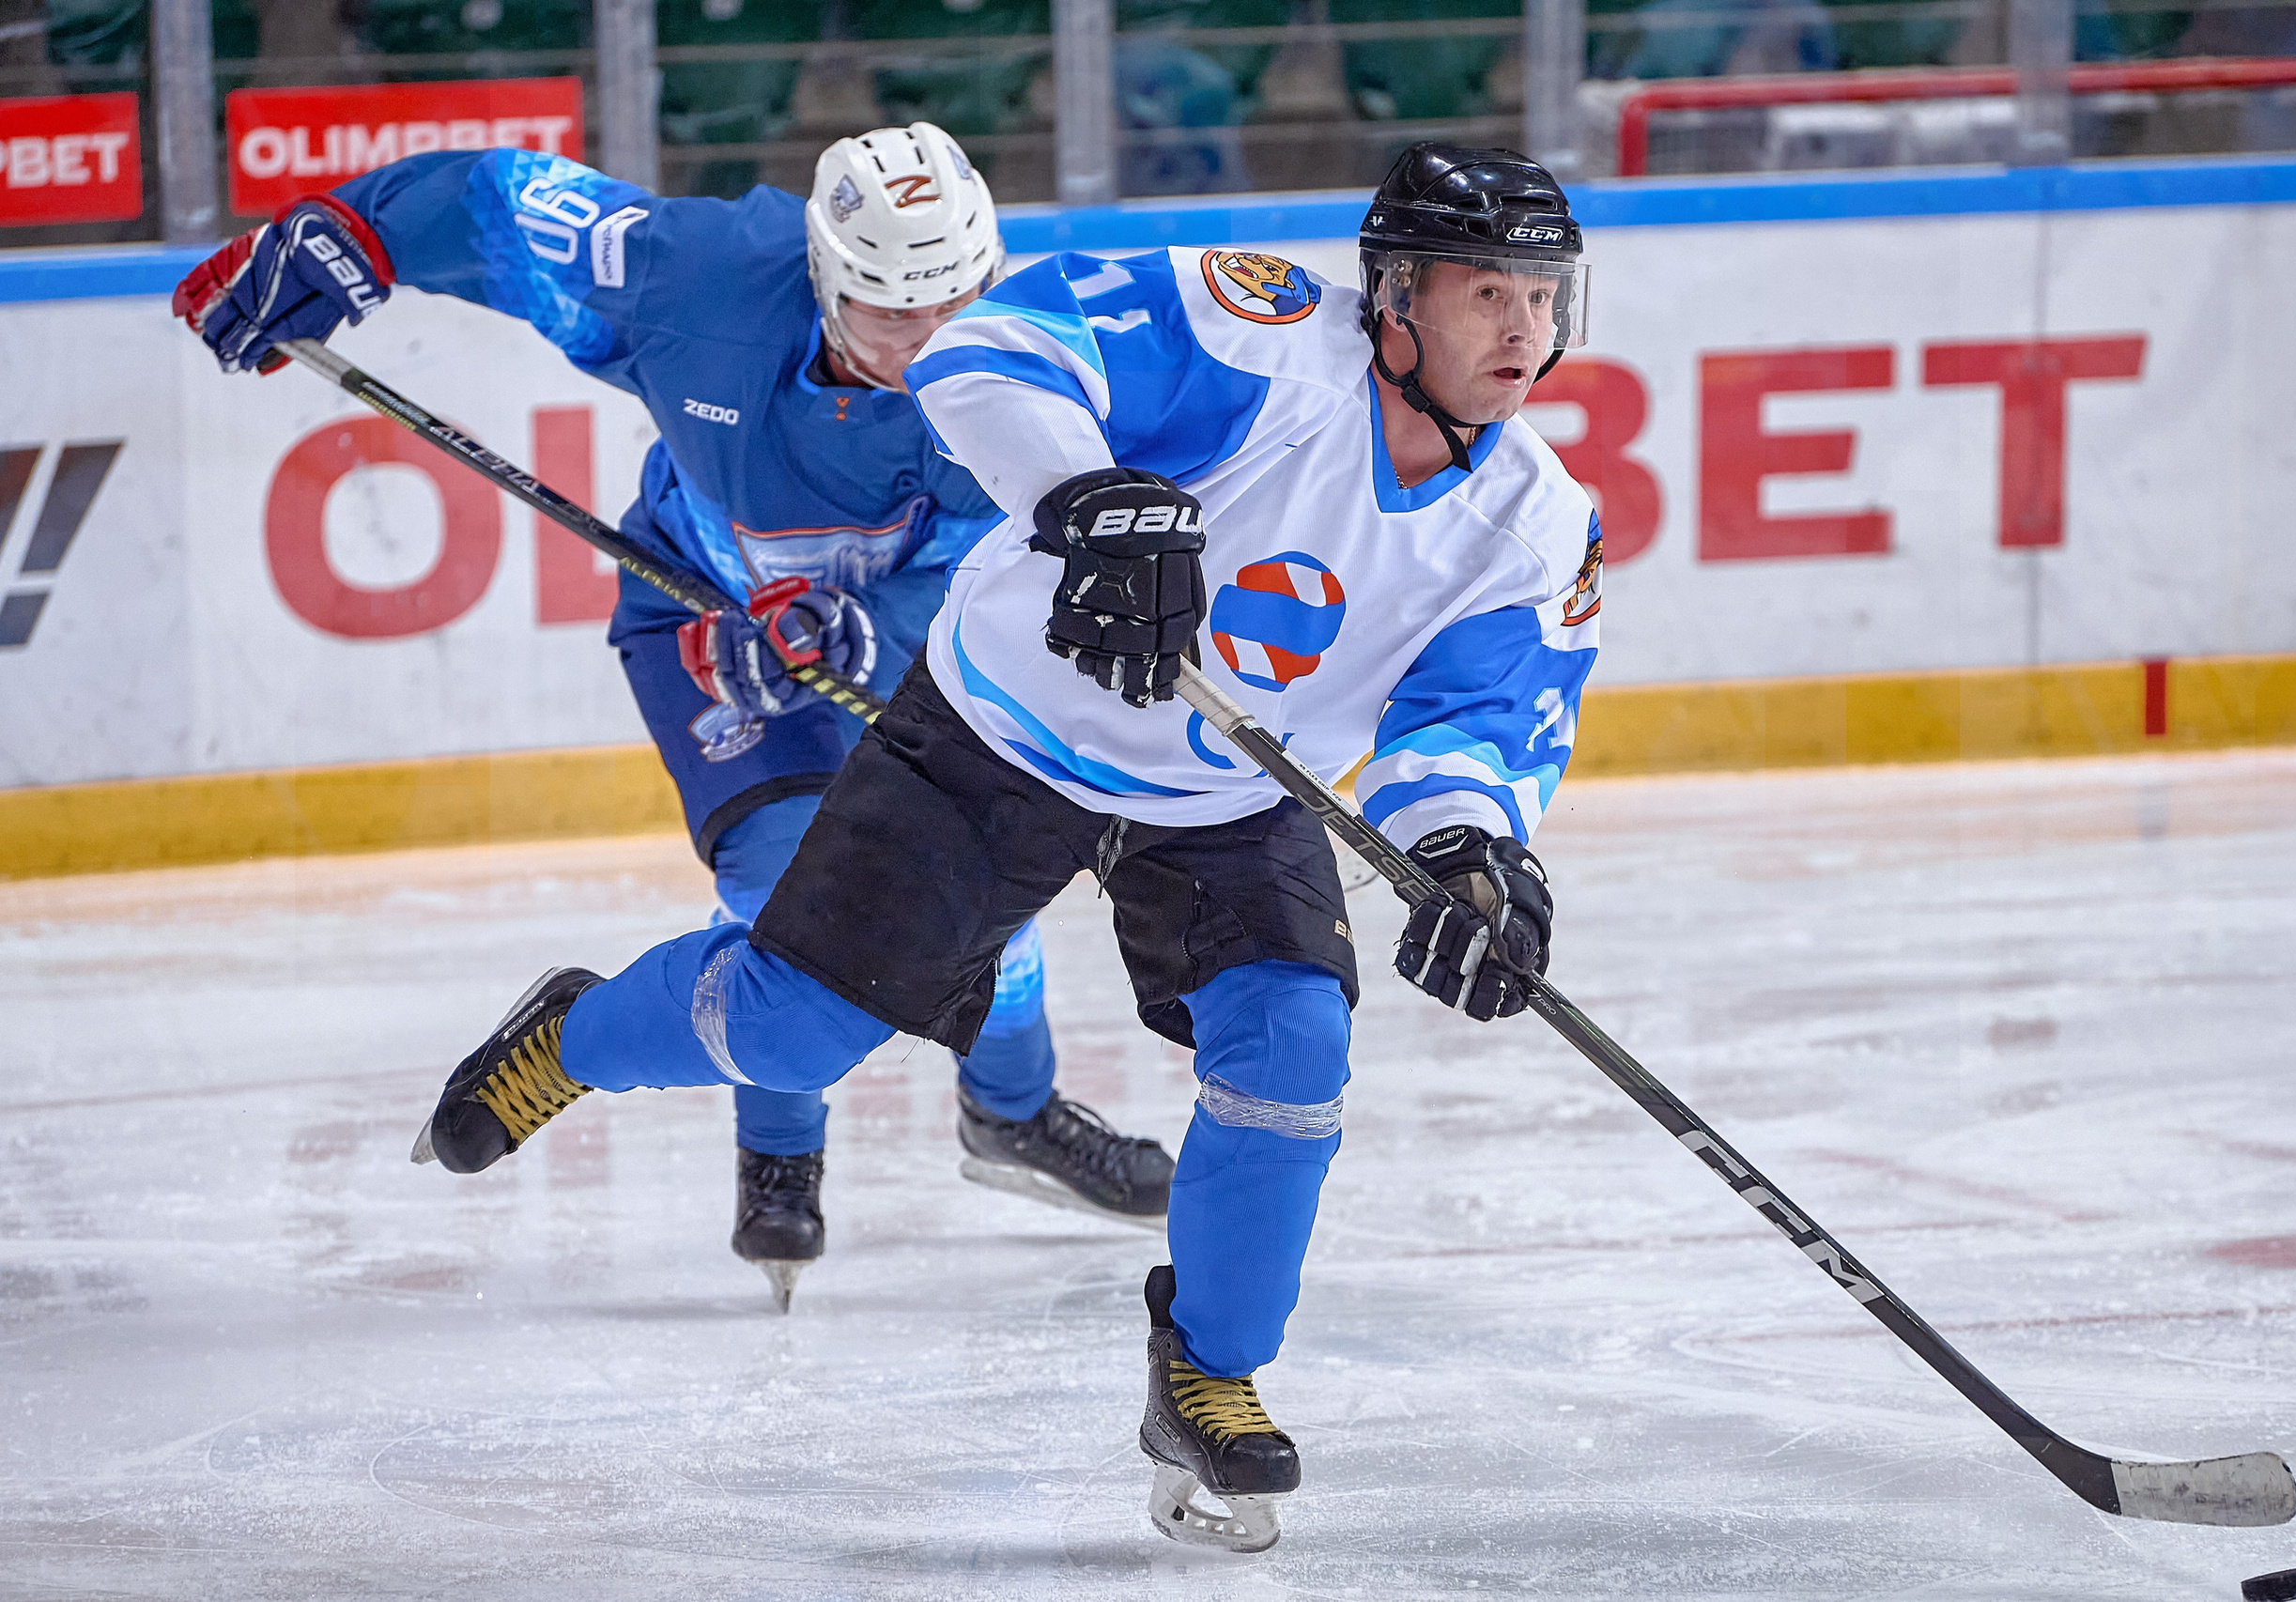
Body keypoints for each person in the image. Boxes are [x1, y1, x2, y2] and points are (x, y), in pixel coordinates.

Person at [405, 142, 1601, 1549]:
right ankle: (577, 1033)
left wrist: (1468, 854)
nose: (1523, 332)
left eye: (1541, 295)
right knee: (788, 1036)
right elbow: (996, 343)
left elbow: (1477, 722)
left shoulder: (1535, 521)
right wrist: (1083, 494)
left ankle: (1210, 1367)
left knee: (1290, 1050)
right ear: (1395, 295)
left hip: (1223, 796)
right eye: (1485, 293)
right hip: (1003, 730)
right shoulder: (1260, 330)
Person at [169, 122, 1176, 1312]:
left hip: (922, 650)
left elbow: (1023, 569)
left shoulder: (1027, 366)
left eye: (958, 302)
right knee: (789, 897)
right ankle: (779, 1150)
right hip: (709, 627)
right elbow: (499, 201)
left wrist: (879, 628)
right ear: (823, 274)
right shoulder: (699, 277)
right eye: (894, 315)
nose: (934, 347)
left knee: (985, 919)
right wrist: (358, 230)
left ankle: (1011, 1115)